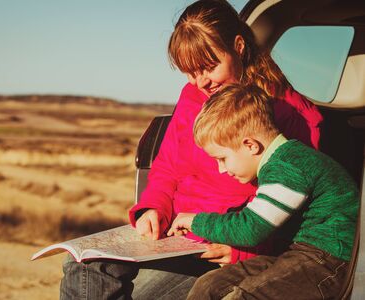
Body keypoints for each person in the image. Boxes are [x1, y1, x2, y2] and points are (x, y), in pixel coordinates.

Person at [60, 0, 323, 299]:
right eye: (190, 71)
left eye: (209, 67)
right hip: (175, 234)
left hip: (222, 246)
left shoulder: (292, 114)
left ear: (238, 46)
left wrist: (246, 253)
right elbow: (168, 166)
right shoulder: (192, 97)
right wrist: (154, 207)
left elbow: (298, 208)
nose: (201, 82)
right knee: (83, 263)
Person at [168, 83, 358, 300]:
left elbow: (250, 229)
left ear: (250, 145)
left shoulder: (289, 167)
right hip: (300, 254)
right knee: (209, 285)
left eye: (222, 158)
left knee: (244, 296)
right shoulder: (278, 163)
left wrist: (196, 222)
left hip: (331, 262)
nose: (221, 169)